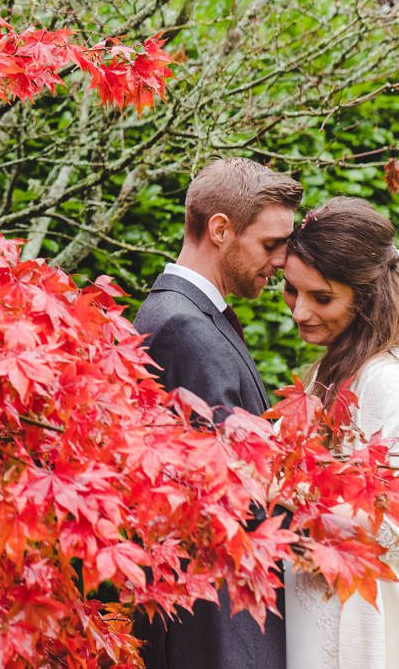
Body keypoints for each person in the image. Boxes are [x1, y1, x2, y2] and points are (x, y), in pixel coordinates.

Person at [133, 157, 304, 669]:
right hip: (216, 627)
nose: (280, 262)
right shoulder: (185, 327)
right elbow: (228, 497)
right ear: (221, 229)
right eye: (270, 244)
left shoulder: (177, 313)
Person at [279, 197, 399, 669]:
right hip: (317, 596)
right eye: (292, 291)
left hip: (363, 614)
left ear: (365, 296)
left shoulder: (385, 378)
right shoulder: (327, 374)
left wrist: (290, 489)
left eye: (321, 298)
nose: (299, 312)